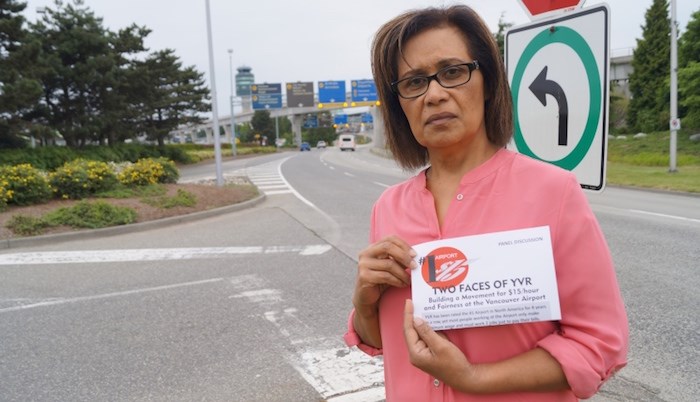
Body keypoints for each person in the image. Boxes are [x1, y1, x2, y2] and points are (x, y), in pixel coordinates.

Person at [343, 5, 628, 401]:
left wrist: (473, 377)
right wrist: (364, 304)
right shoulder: (389, 207)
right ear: (399, 105)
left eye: (452, 72)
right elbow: (384, 339)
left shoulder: (553, 192)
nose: (435, 94)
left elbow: (599, 345)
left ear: (489, 81)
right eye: (413, 83)